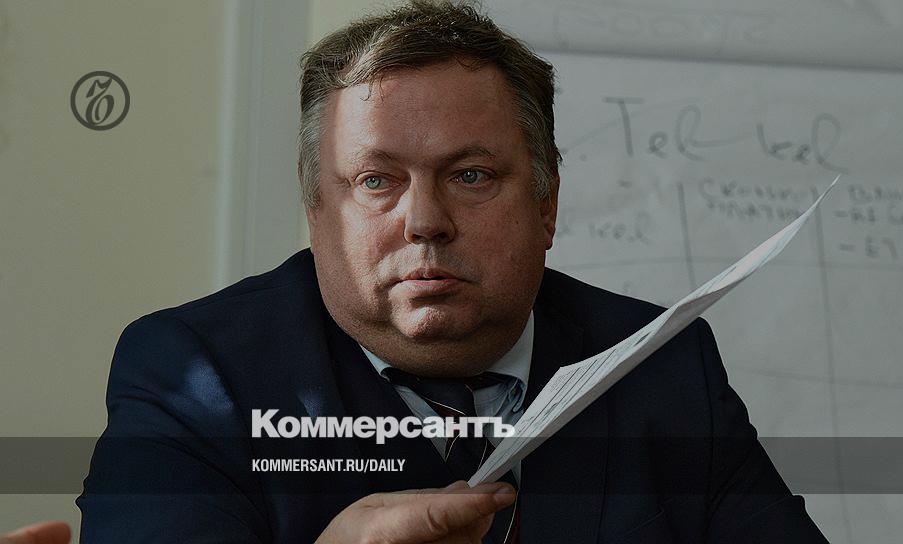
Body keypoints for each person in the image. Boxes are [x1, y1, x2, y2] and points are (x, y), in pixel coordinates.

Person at [77, 1, 828, 542]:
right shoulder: (194, 375)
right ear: (314, 209)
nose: (425, 221)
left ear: (546, 202)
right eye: (376, 181)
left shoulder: (659, 362)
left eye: (471, 175)